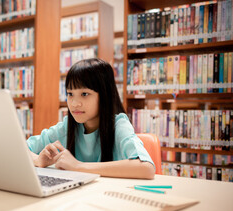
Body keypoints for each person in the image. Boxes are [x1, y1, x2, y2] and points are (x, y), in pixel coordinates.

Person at [27, 58, 155, 179]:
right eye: (70, 94)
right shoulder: (68, 126)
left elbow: (147, 168)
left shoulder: (119, 126)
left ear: (104, 95)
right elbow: (22, 148)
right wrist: (38, 160)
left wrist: (78, 166)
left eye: (84, 94)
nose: (75, 103)